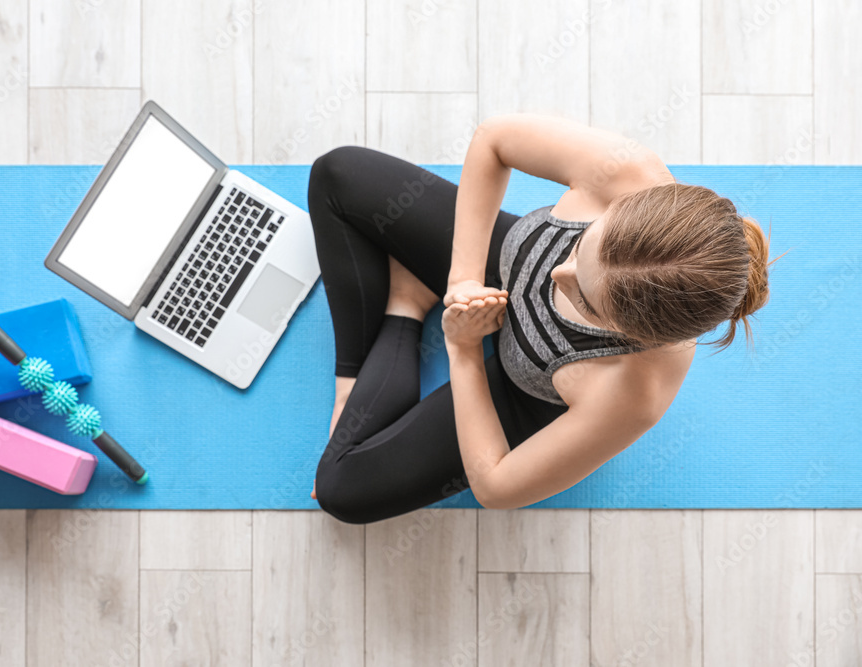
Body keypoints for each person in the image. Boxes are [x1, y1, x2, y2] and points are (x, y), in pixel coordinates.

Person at [306, 113, 778, 525]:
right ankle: (354, 375)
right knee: (337, 173)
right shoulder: (629, 170)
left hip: (522, 385)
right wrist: (462, 282)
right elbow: (495, 138)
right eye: (579, 247)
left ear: (635, 335)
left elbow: (494, 487)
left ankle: (406, 306)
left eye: (585, 299)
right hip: (496, 268)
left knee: (340, 490)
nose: (558, 274)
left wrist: (464, 348)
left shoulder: (635, 392)